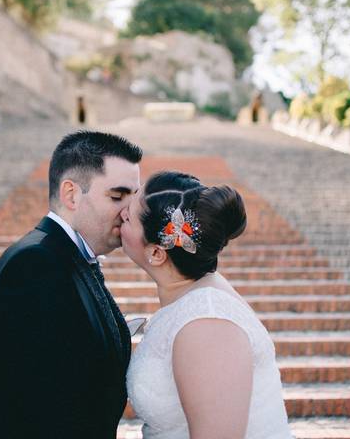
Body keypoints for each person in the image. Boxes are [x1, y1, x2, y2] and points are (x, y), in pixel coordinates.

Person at [0, 131, 142, 439]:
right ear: (71, 194)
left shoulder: (65, 256)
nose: (129, 212)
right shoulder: (34, 265)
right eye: (117, 196)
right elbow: (43, 401)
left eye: (133, 198)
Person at [120, 171, 292, 439]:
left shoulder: (207, 321)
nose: (121, 213)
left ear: (156, 252)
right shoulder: (193, 296)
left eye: (128, 216)